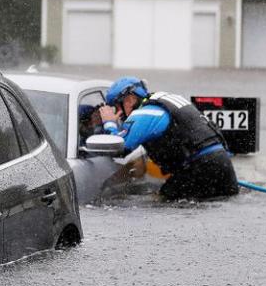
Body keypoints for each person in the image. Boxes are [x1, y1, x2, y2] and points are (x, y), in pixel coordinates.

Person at [97, 76, 238, 201]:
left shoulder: (145, 113)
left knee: (159, 202)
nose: (119, 114)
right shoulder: (164, 100)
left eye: (117, 107)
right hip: (222, 163)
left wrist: (109, 123)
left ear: (130, 99)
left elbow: (120, 148)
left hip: (199, 167)